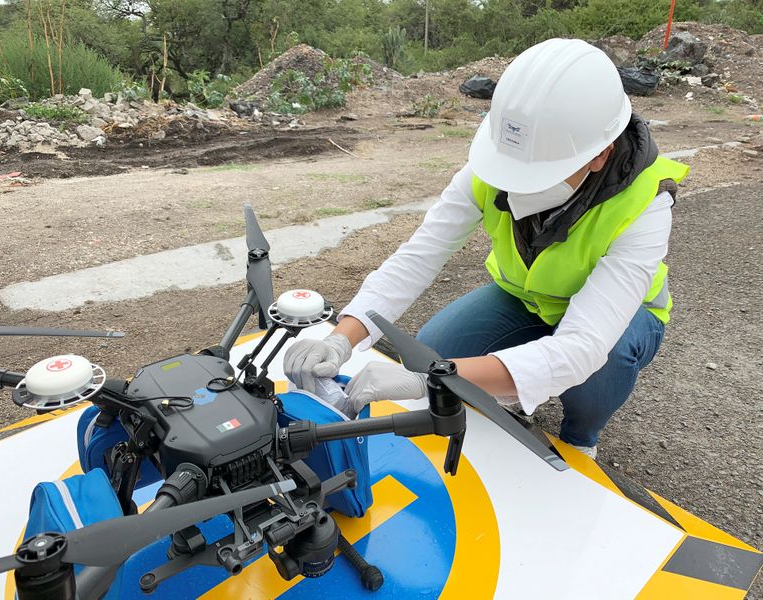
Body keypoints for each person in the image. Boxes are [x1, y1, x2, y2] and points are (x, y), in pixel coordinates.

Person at [284, 38, 689, 459]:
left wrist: (437, 382)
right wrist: (341, 340)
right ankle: (512, 390)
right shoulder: (491, 167)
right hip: (527, 300)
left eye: (536, 174)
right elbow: (417, 257)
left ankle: (580, 439)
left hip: (623, 322)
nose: (514, 186)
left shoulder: (647, 202)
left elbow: (582, 346)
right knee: (436, 349)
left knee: (602, 364)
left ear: (600, 156)